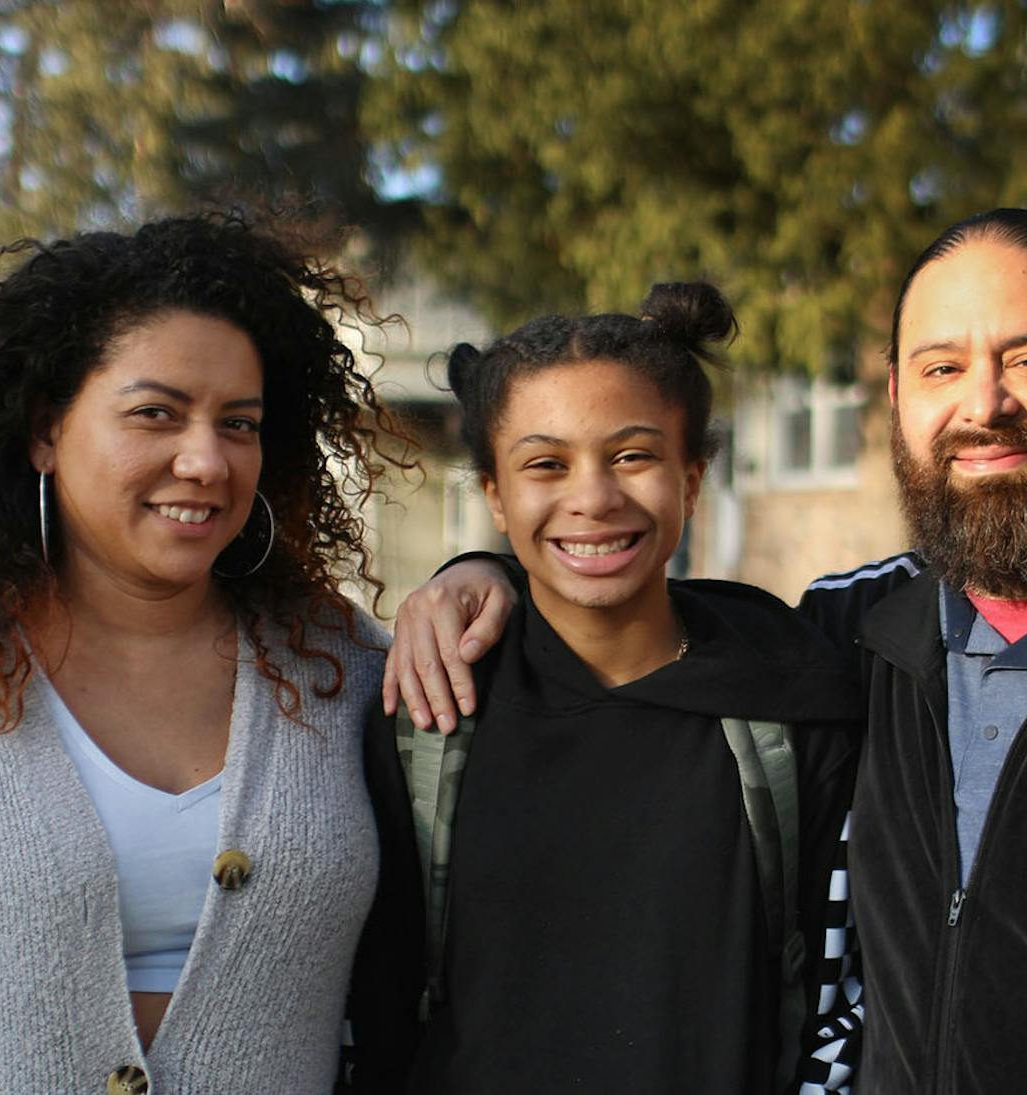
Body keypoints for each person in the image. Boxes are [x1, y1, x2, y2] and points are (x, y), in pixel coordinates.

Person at [383, 208, 1027, 1093]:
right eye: (944, 367)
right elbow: (621, 609)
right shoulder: (846, 630)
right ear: (901, 400)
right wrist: (478, 573)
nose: (985, 404)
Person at [0, 209, 403, 1092]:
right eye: (156, 412)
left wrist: (485, 579)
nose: (206, 459)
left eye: (238, 423)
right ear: (46, 431)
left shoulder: (345, 670)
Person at [352, 284, 861, 1094]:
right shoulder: (429, 711)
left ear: (691, 480)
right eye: (545, 464)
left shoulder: (796, 710)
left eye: (633, 455)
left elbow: (839, 1005)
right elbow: (370, 1010)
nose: (592, 496)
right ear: (494, 494)